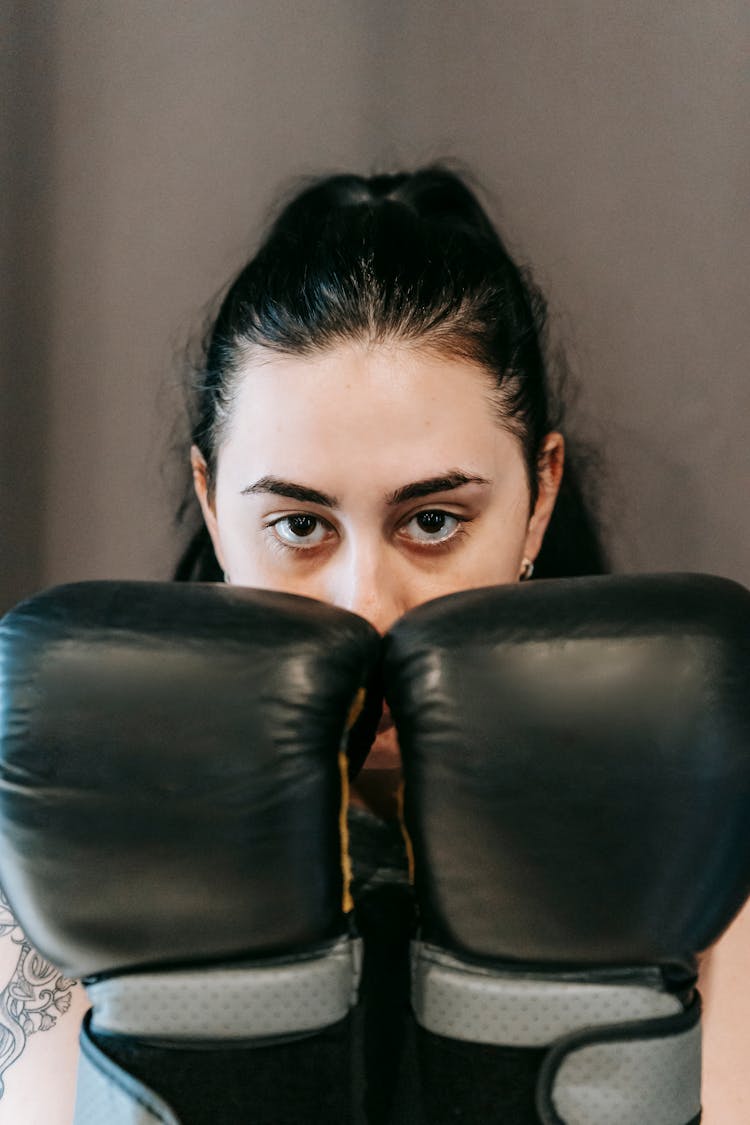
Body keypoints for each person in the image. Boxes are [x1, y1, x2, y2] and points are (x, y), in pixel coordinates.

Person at [0, 167, 747, 1122]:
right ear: (215, 510)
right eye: (300, 527)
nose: (365, 605)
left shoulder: (697, 841)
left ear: (538, 500)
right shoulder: (72, 826)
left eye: (433, 521)